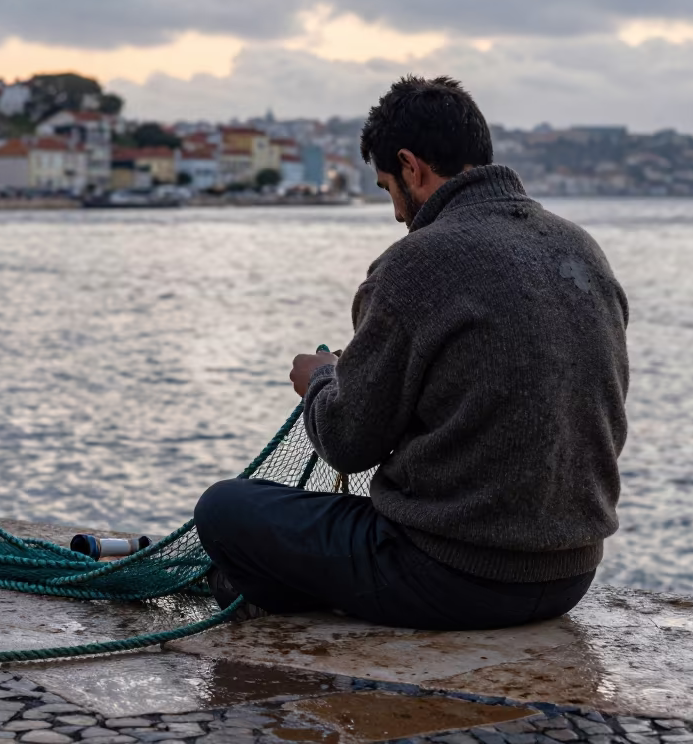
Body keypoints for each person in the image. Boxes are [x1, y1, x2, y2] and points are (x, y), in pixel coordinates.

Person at [194, 75, 629, 630]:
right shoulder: (581, 248)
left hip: (450, 576)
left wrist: (323, 381)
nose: (398, 213)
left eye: (386, 187)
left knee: (226, 509)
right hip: (569, 576)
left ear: (411, 166)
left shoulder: (414, 263)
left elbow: (349, 443)